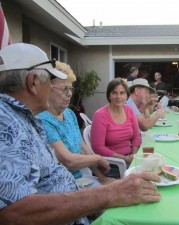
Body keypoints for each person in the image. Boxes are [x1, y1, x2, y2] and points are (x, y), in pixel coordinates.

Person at [0, 43, 160, 225]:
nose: (53, 89)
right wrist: (109, 194)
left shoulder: (25, 118)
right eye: (51, 82)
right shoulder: (5, 124)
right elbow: (13, 213)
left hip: (76, 204)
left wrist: (105, 185)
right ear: (33, 82)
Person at [38, 61, 112, 187]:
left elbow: (83, 149)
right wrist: (97, 159)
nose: (70, 94)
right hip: (58, 187)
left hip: (81, 180)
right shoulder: (42, 120)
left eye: (71, 88)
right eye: (64, 89)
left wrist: (103, 179)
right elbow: (69, 161)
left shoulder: (69, 114)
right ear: (48, 89)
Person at [90, 78, 140, 166]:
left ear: (127, 96)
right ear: (109, 95)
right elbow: (98, 147)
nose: (118, 97)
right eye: (114, 93)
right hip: (111, 163)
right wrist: (124, 158)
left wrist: (134, 155)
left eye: (122, 93)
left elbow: (136, 137)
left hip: (130, 158)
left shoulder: (129, 110)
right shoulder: (100, 115)